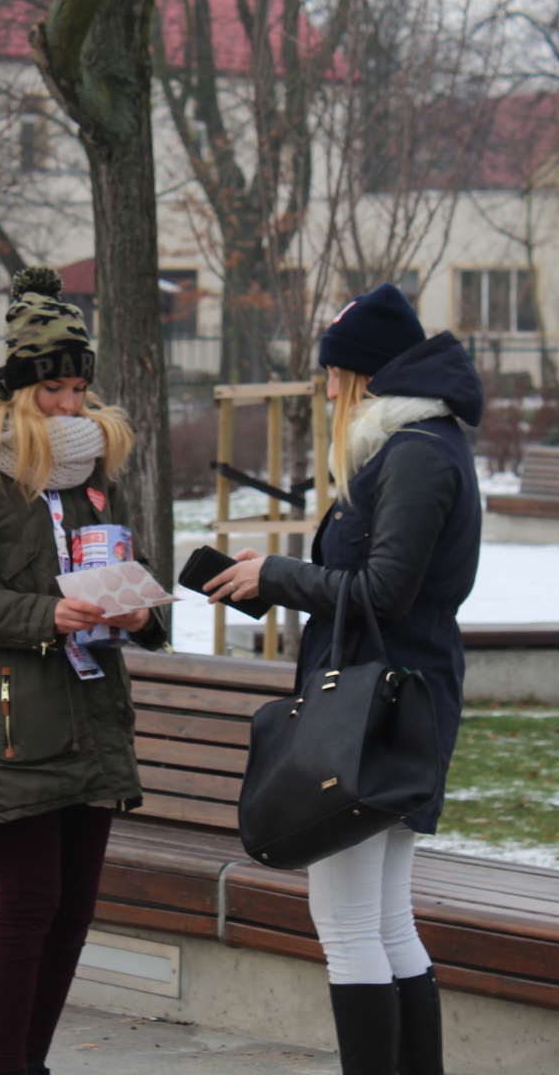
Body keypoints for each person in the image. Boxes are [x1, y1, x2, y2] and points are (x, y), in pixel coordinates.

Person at [204, 284, 481, 1075]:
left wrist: (279, 576)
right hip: (391, 702)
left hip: (381, 708)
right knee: (385, 918)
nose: (324, 386)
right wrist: (274, 582)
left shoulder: (418, 454)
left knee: (350, 921)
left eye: (332, 373)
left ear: (363, 375)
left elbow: (387, 592)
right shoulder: (412, 448)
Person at [0, 266, 165, 1075]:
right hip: (11, 720)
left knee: (76, 910)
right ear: (22, 391)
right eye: (53, 389)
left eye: (80, 388)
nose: (70, 406)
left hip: (90, 710)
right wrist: (40, 615)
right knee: (30, 907)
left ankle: (34, 1064)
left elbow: (124, 565)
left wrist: (138, 611)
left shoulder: (93, 467)